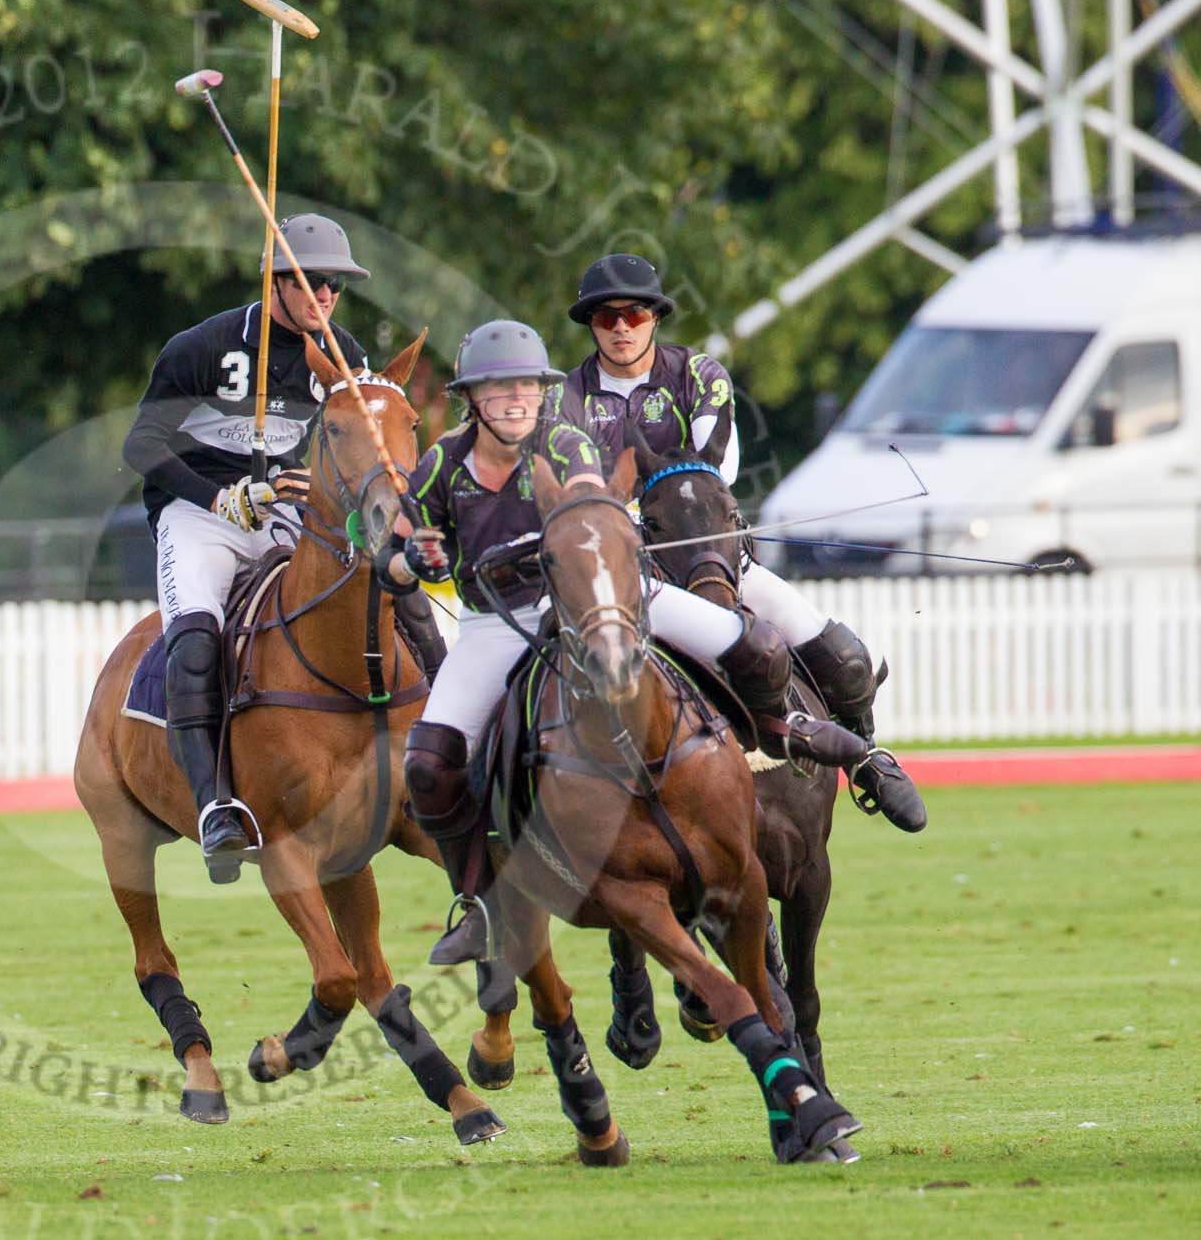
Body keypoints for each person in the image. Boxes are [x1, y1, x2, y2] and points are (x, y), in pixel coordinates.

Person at [387, 321, 870, 965]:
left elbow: (597, 506)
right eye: (497, 388)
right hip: (496, 622)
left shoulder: (564, 442)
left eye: (525, 385)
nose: (514, 398)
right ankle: (480, 897)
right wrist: (415, 557)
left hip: (604, 598)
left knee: (752, 645)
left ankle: (792, 733)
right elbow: (395, 551)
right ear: (473, 397)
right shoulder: (441, 463)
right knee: (427, 765)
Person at [547, 253, 926, 833]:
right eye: (604, 318)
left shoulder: (699, 376)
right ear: (590, 326)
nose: (620, 327)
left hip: (712, 559)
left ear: (655, 318)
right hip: (631, 578)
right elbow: (577, 487)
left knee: (846, 661)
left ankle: (868, 758)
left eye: (633, 314)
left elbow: (713, 468)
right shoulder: (565, 399)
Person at [123, 213, 448, 879]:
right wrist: (219, 496)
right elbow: (141, 445)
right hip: (201, 515)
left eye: (334, 286)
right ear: (276, 281)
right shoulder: (203, 346)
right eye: (312, 283)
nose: (325, 297)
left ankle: (450, 749)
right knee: (197, 635)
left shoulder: (346, 357)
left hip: (286, 513)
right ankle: (215, 804)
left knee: (394, 587)